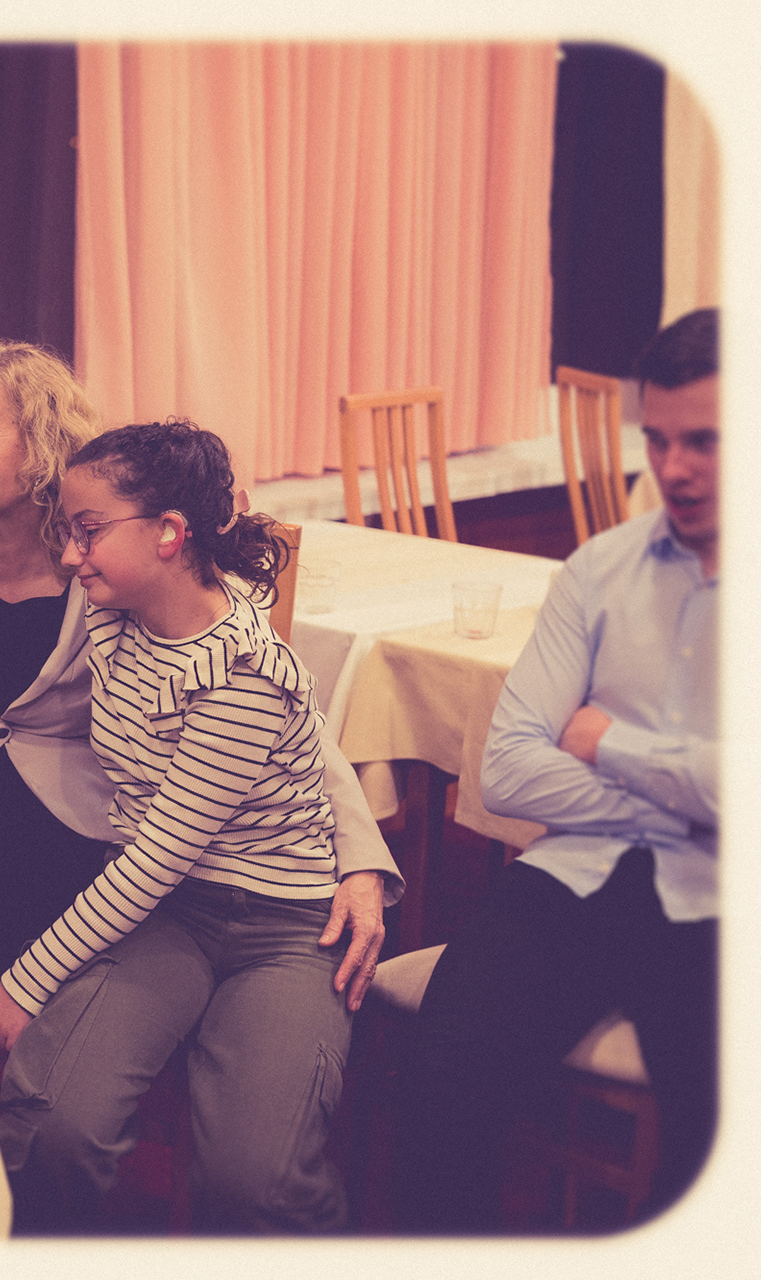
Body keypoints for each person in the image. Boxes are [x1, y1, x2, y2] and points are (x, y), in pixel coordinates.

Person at [0, 343, 401, 1231]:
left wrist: (357, 856)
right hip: (44, 850)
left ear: (40, 446)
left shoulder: (122, 570)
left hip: (143, 863)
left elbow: (290, 715)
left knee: (247, 1172)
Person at [393, 308, 719, 1231]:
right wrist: (697, 790)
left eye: (705, 441)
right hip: (575, 876)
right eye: (658, 440)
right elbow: (506, 771)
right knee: (446, 1061)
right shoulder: (598, 571)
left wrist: (612, 745)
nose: (675, 468)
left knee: (714, 1128)